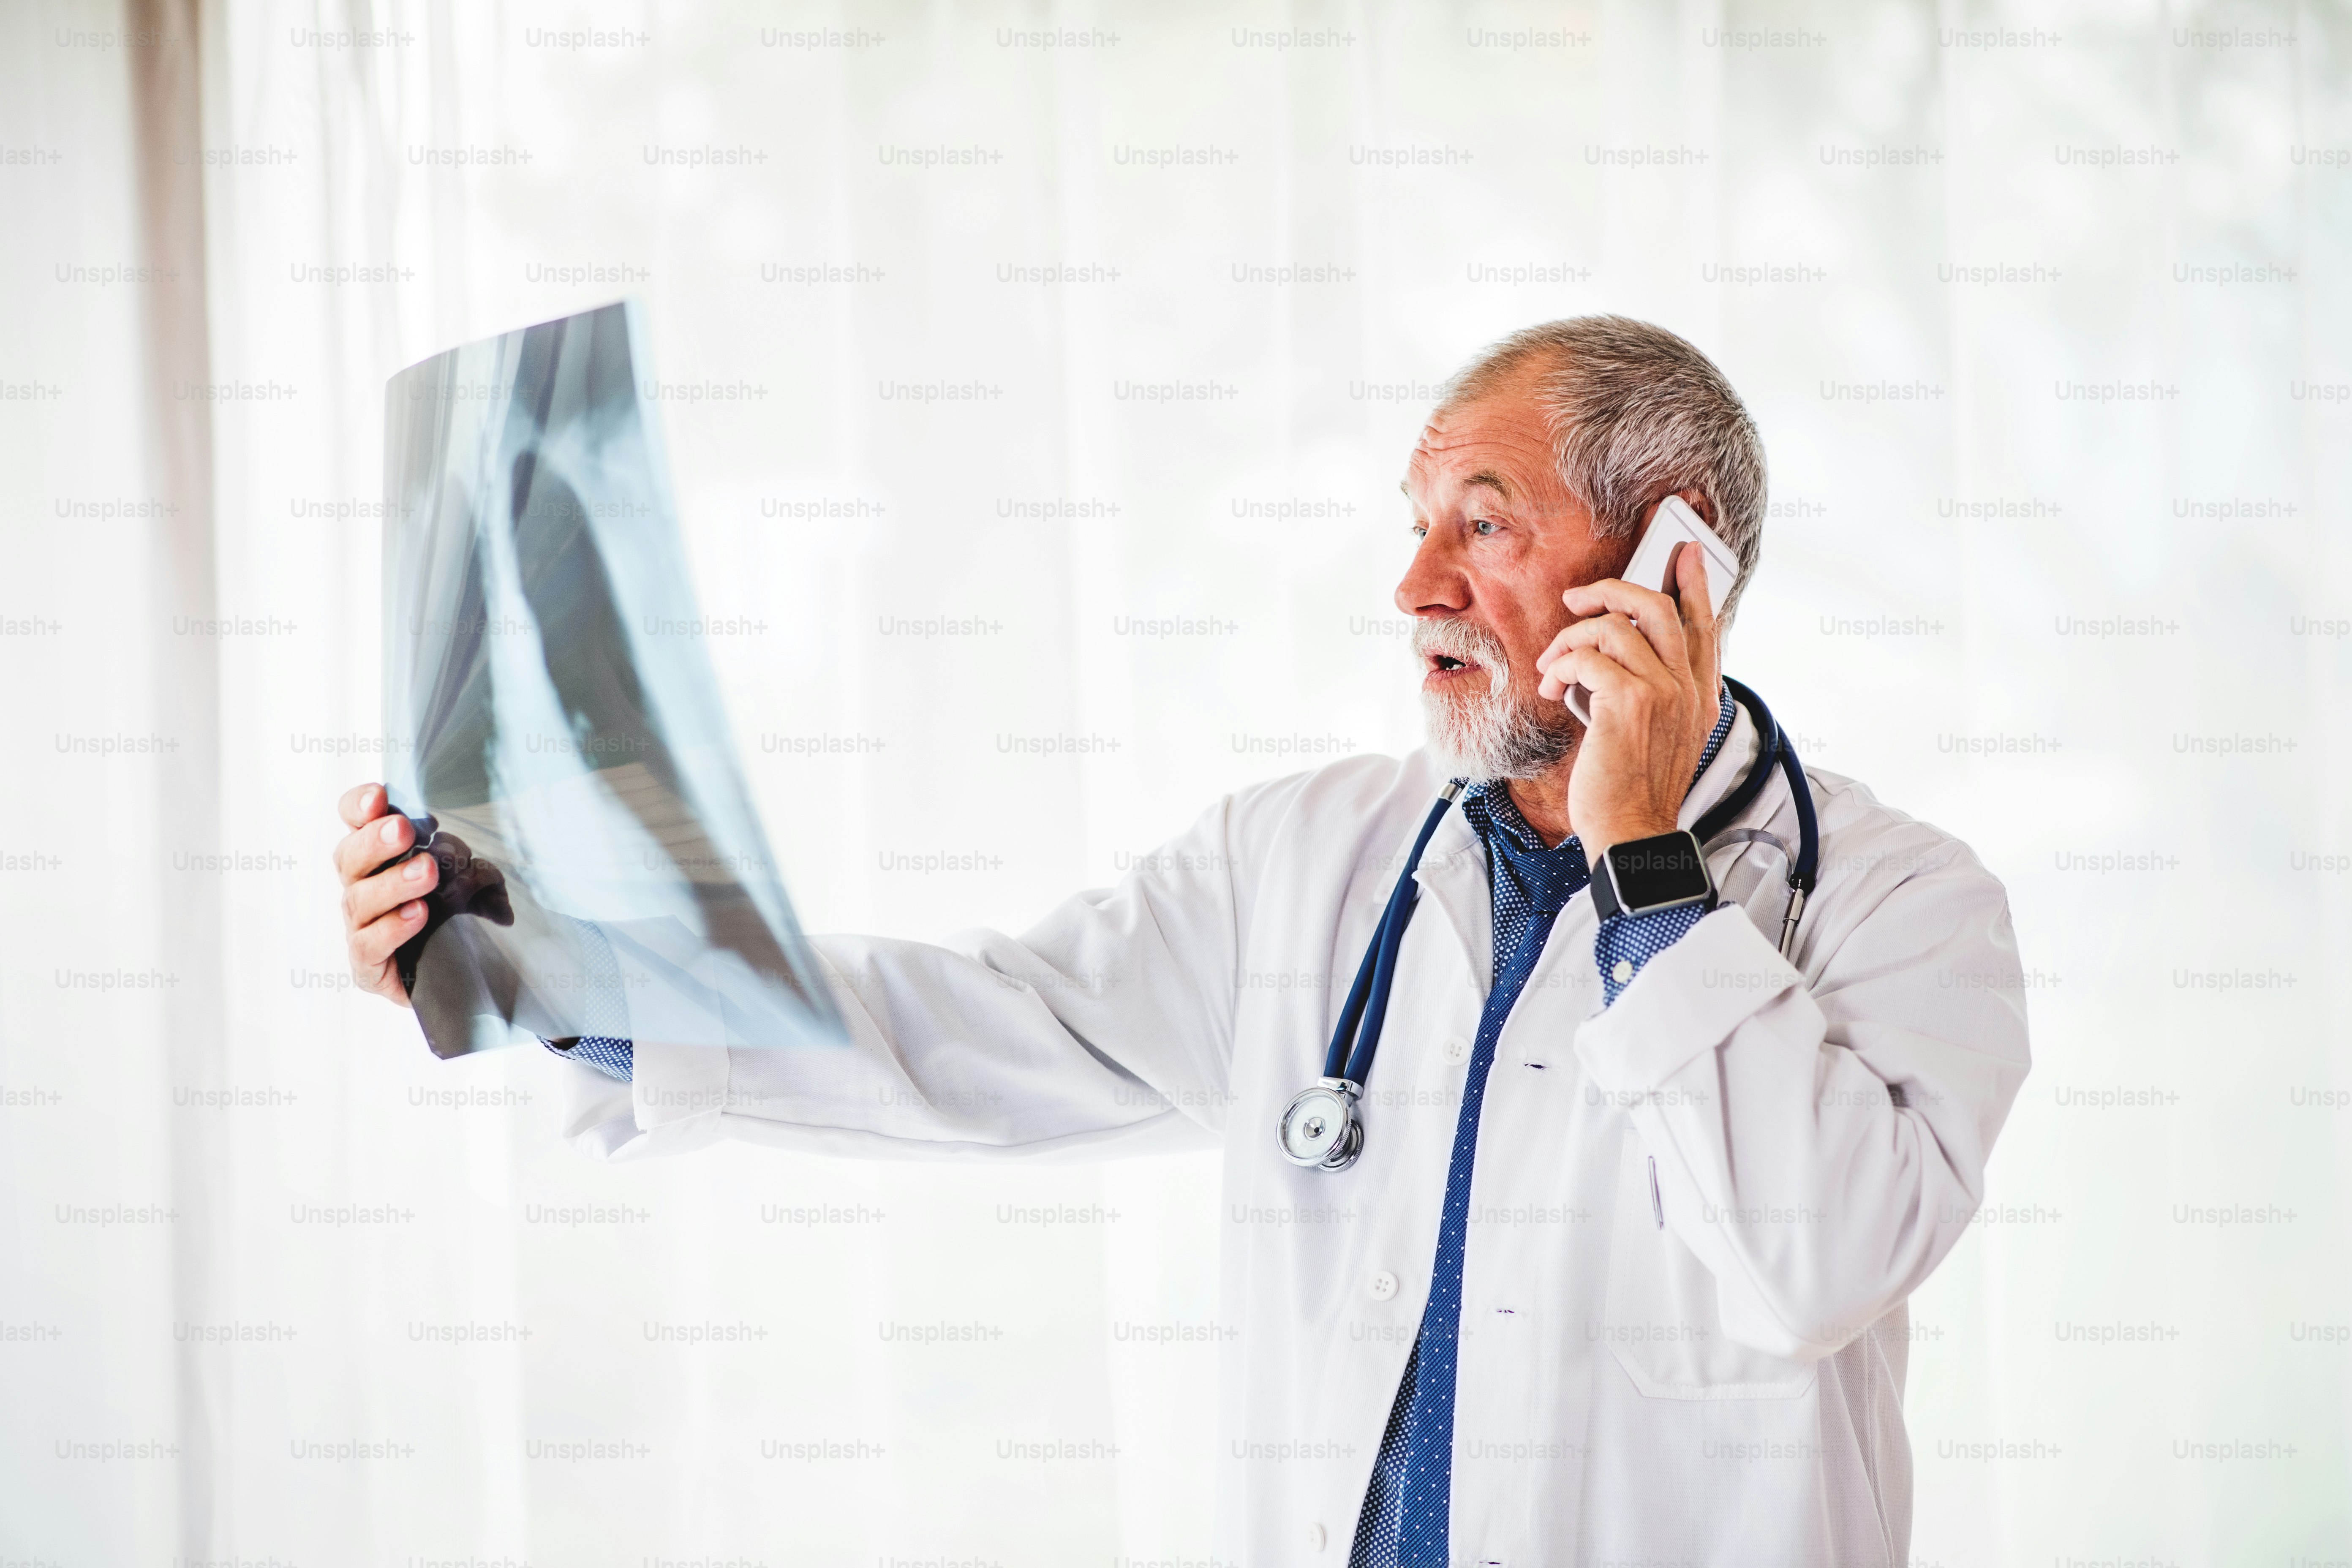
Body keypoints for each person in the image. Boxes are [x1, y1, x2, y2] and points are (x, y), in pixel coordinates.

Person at [333, 315, 2030, 1567]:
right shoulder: (1309, 860)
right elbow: (968, 1031)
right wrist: (552, 962)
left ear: (1671, 561)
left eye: (1484, 522)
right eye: (1416, 520)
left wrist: (1648, 860)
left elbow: (1812, 1263)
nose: (1414, 585)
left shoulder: (1899, 904)